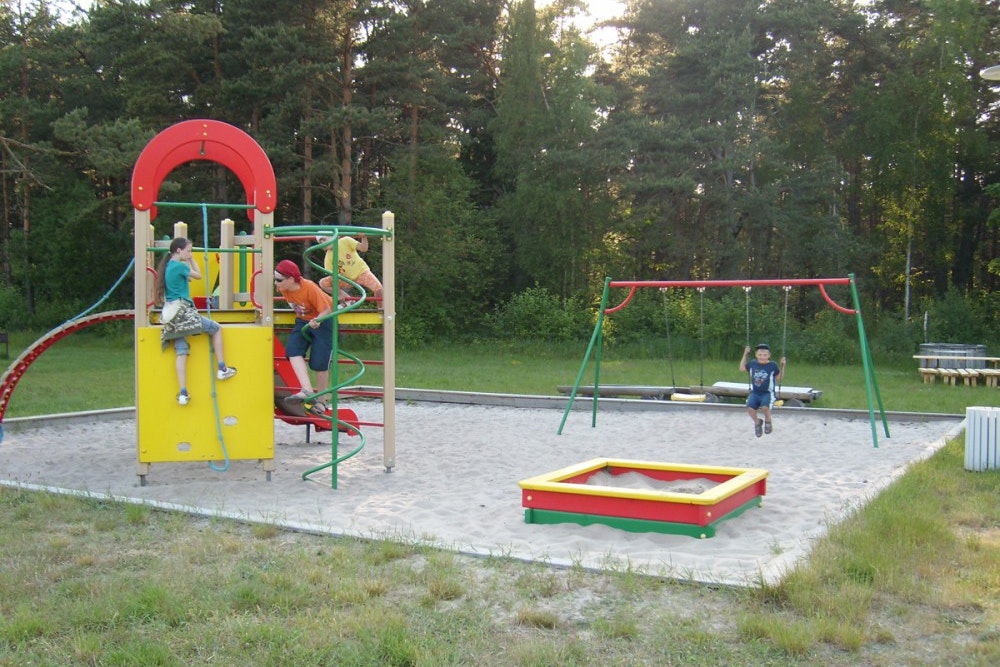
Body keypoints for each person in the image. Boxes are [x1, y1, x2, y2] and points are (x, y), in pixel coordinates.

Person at [156, 237, 238, 406]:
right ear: (179, 251)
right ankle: (222, 368)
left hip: (170, 314)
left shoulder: (169, 266)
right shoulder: (180, 266)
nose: (190, 253)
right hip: (183, 311)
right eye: (188, 250)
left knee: (181, 350)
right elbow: (199, 275)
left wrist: (188, 257)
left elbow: (187, 280)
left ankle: (183, 393)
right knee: (216, 329)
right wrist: (192, 259)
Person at [274, 259, 333, 415]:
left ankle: (321, 401)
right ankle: (306, 389)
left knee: (320, 362)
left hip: (323, 319)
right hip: (303, 320)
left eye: (279, 280)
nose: (275, 283)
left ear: (291, 279)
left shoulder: (309, 288)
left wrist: (318, 320)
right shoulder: (283, 288)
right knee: (293, 350)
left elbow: (327, 309)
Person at [317, 233, 382, 307]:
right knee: (323, 283)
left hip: (361, 272)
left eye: (324, 240)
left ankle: (381, 310)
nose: (323, 243)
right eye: (320, 242)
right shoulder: (328, 257)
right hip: (347, 279)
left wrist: (364, 237)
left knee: (378, 288)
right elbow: (331, 275)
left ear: (332, 237)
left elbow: (364, 248)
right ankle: (347, 299)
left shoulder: (345, 241)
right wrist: (337, 280)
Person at [739, 343, 786, 437]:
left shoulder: (772, 365)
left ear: (769, 356)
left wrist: (783, 365)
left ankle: (768, 420)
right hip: (755, 393)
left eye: (765, 355)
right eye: (760, 355)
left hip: (767, 393)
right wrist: (745, 354)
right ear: (756, 355)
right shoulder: (752, 363)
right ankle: (757, 422)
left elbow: (779, 378)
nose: (762, 357)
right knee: (750, 409)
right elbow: (742, 368)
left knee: (765, 407)